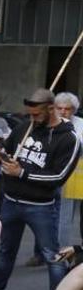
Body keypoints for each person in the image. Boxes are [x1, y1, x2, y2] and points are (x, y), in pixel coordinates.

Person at [0, 88, 80, 290]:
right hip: (11, 202)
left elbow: (59, 176)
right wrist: (0, 154)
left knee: (52, 255)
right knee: (3, 253)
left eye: (37, 115)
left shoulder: (69, 138)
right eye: (30, 114)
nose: (32, 119)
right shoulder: (24, 128)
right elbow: (9, 153)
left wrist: (22, 173)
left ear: (51, 109)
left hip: (41, 206)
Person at [56, 92, 83, 248]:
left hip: (78, 175)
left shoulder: (81, 124)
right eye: (59, 108)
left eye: (67, 109)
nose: (63, 112)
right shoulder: (50, 123)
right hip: (57, 174)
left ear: (74, 109)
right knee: (60, 216)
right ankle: (57, 250)